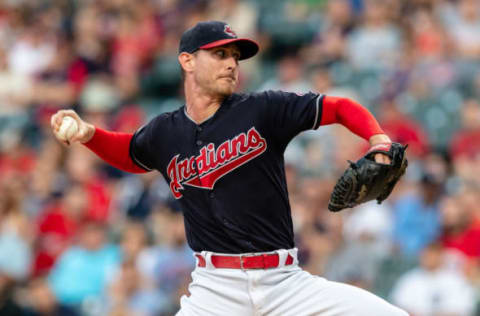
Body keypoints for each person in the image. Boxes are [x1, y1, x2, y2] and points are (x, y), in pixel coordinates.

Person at [51, 21, 407, 316]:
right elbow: (131, 153)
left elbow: (339, 107)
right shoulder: (164, 132)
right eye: (219, 54)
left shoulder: (263, 110)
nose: (231, 63)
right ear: (187, 61)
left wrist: (377, 139)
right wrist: (90, 134)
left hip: (284, 284)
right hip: (214, 293)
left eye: (235, 56)